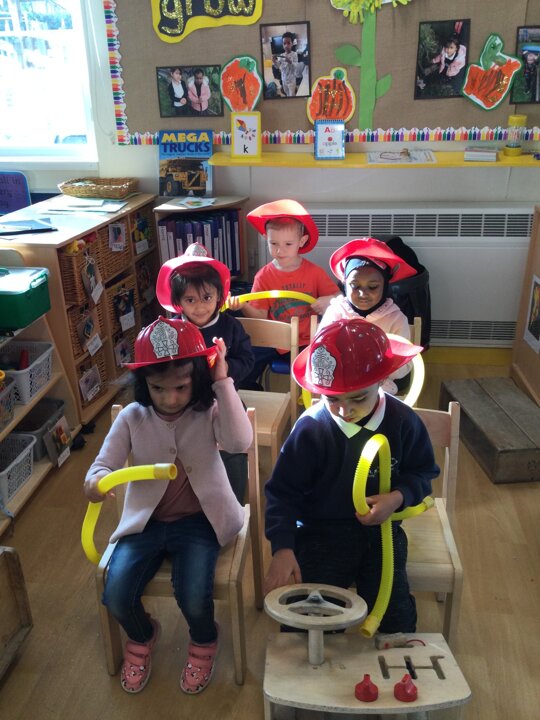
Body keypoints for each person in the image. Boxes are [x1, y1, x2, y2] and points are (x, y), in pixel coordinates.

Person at [84, 316, 252, 695]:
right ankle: (143, 635)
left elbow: (240, 442)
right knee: (116, 594)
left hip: (200, 522)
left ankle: (205, 639)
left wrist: (222, 380)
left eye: (181, 387)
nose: (170, 398)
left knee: (193, 595)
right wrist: (95, 483)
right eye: (158, 388)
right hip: (146, 523)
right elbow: (102, 466)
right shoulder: (132, 417)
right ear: (143, 382)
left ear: (198, 379)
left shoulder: (208, 410)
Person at [264, 318, 439, 634]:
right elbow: (282, 493)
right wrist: (283, 547)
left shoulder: (402, 421)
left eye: (358, 398)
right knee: (309, 617)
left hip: (382, 531)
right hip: (321, 532)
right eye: (332, 399)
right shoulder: (310, 429)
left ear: (382, 380)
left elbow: (423, 472)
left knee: (394, 613)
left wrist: (396, 498)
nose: (345, 411)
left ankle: (396, 649)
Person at [156, 243, 255, 501]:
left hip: (223, 400)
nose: (200, 307)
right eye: (190, 300)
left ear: (219, 296)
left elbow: (247, 359)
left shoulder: (230, 326)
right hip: (182, 403)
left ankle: (233, 501)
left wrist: (225, 368)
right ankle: (182, 498)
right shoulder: (170, 330)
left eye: (207, 298)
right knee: (169, 442)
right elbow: (158, 370)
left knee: (233, 445)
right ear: (178, 302)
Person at [228, 199, 339, 390]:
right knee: (243, 363)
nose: (280, 250)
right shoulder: (263, 276)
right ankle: (249, 394)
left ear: (301, 242)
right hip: (276, 341)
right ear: (265, 238)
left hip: (309, 341)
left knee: (327, 366)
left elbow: (340, 299)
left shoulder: (314, 273)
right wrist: (243, 306)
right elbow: (260, 316)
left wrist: (328, 300)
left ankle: (322, 398)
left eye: (288, 244)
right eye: (273, 243)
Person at [318, 237, 417, 395]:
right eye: (354, 285)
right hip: (340, 383)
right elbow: (320, 350)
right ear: (344, 284)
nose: (363, 294)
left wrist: (373, 369)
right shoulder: (335, 312)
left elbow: (404, 365)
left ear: (385, 285)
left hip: (379, 386)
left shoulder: (396, 319)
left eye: (373, 287)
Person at [272, 31, 300, 97]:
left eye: (288, 43)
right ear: (282, 44)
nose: (286, 45)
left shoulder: (294, 54)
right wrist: (274, 61)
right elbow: (277, 66)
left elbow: (296, 67)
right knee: (286, 93)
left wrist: (290, 62)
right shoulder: (281, 55)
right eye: (284, 43)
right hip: (284, 80)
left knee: (291, 95)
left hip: (291, 81)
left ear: (292, 44)